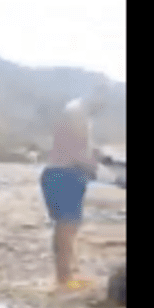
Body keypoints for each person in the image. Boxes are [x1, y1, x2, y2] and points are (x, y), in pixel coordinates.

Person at [40, 89, 107, 291]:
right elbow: (73, 151)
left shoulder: (81, 114)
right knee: (66, 228)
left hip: (66, 174)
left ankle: (69, 274)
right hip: (64, 174)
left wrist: (101, 158)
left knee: (70, 227)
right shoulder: (76, 112)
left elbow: (83, 147)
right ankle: (63, 279)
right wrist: (90, 165)